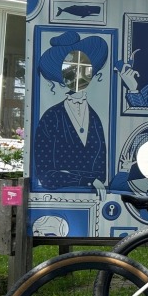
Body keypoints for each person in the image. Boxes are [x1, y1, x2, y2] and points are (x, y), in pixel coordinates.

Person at [33, 31, 108, 198]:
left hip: (95, 198)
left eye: (83, 70)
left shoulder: (95, 118)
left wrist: (89, 179)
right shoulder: (50, 118)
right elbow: (46, 175)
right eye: (71, 71)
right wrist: (87, 180)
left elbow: (101, 171)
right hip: (59, 198)